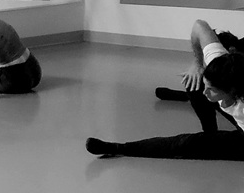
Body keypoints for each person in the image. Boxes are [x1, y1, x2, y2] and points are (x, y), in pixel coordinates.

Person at [86, 20, 244, 160]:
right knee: (195, 80)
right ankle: (209, 131)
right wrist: (198, 65)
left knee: (185, 144)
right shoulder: (221, 63)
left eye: (212, 90)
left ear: (232, 91)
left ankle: (118, 148)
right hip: (231, 93)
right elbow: (199, 26)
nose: (205, 92)